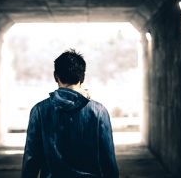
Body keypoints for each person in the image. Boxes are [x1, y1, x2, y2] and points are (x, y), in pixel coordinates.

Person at [22, 49, 119, 178]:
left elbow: (31, 160)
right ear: (83, 77)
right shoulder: (99, 111)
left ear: (55, 76)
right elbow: (108, 161)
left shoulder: (39, 110)